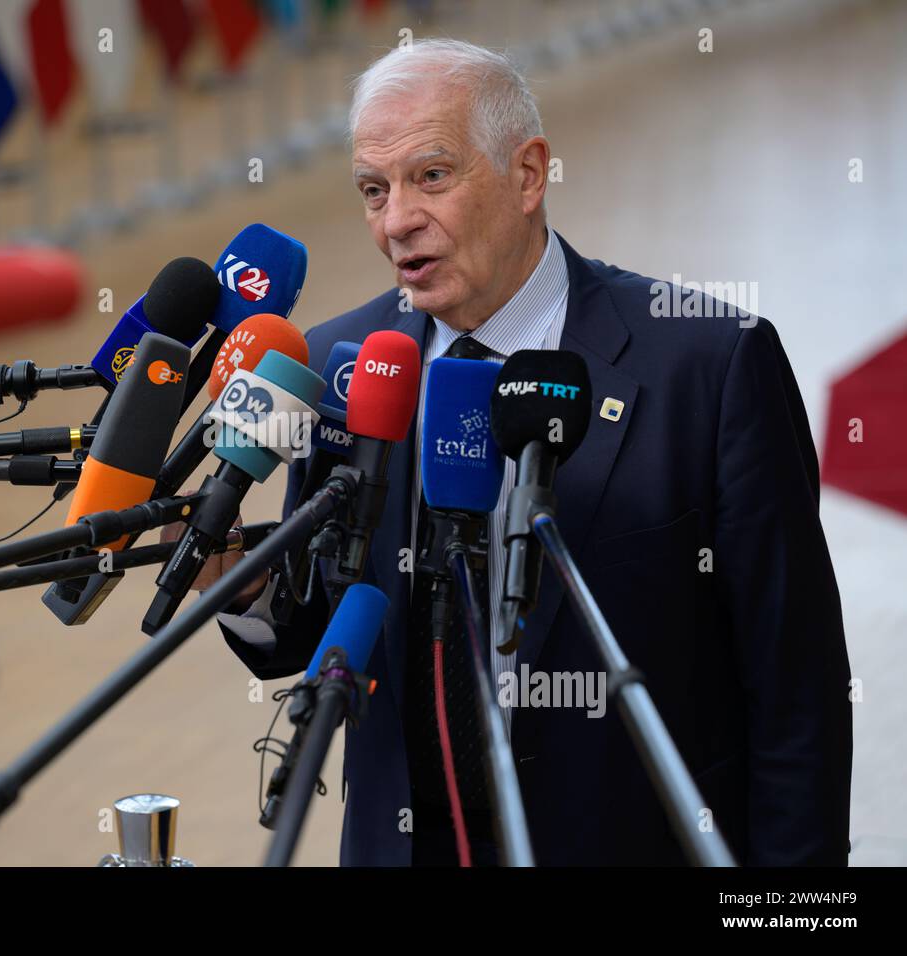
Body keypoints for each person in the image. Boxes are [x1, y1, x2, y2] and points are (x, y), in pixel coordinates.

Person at [166, 39, 852, 866]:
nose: (395, 222)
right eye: (373, 191)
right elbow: (318, 620)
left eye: (431, 177)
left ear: (529, 175)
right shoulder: (341, 364)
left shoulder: (709, 364)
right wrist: (230, 572)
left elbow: (796, 687)